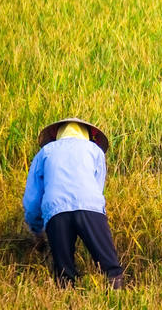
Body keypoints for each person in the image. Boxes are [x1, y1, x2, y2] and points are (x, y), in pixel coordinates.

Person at [23, 118, 124, 288]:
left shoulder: (45, 152)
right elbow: (97, 187)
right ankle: (117, 295)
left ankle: (67, 301)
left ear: (57, 134)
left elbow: (33, 198)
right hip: (90, 206)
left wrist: (36, 229)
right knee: (111, 267)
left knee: (64, 272)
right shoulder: (94, 150)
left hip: (55, 211)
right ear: (87, 134)